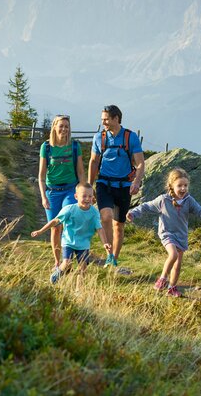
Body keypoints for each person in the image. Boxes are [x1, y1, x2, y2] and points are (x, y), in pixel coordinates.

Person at [126, 168, 201, 297]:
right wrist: (133, 213)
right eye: (180, 186)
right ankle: (162, 279)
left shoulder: (189, 200)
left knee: (177, 264)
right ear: (171, 185)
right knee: (173, 255)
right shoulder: (163, 200)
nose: (183, 189)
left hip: (181, 235)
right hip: (167, 233)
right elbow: (146, 206)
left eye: (185, 185)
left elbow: (198, 209)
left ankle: (172, 288)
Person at [88, 105, 145, 267]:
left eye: (106, 119)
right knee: (105, 217)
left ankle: (114, 258)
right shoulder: (99, 137)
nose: (103, 122)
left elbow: (140, 163)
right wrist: (89, 185)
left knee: (118, 225)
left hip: (124, 186)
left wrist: (136, 182)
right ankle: (108, 255)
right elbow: (93, 162)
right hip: (104, 183)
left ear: (116, 118)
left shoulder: (130, 137)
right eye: (102, 119)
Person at [31, 183, 110, 284]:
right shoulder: (70, 209)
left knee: (83, 268)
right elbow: (55, 221)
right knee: (67, 263)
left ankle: (79, 291)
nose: (87, 199)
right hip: (68, 241)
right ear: (76, 196)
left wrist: (105, 243)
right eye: (84, 196)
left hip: (83, 244)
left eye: (90, 196)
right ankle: (58, 272)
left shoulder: (94, 213)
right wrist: (41, 231)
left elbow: (100, 229)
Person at [37, 114, 86, 276]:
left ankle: (68, 259)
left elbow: (80, 171)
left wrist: (84, 191)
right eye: (61, 126)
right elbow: (42, 176)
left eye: (67, 126)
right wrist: (43, 196)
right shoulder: (46, 147)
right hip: (52, 192)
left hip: (70, 191)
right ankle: (58, 262)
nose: (64, 129)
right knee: (55, 228)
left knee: (69, 224)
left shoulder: (74, 146)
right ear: (54, 127)